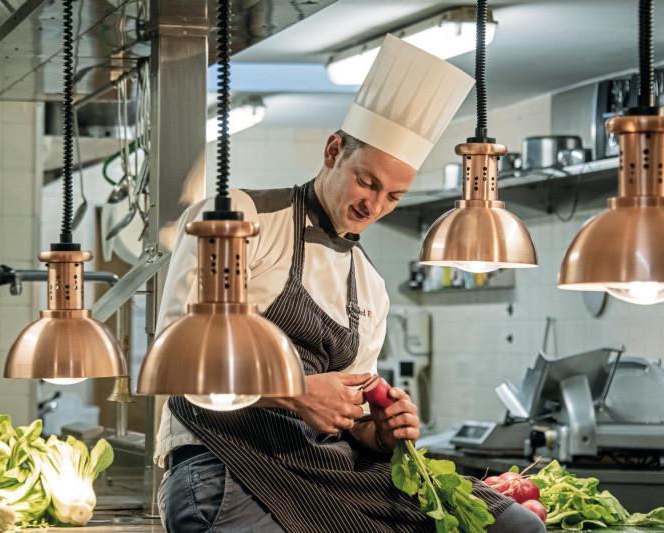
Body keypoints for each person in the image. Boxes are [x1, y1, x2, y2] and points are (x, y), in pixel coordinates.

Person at [154, 35, 546, 533]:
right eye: (367, 181)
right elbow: (175, 363)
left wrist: (379, 431)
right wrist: (293, 392)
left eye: (394, 197)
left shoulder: (372, 286)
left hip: (330, 471)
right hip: (223, 465)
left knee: (515, 526)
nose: (374, 206)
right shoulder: (237, 220)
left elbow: (348, 416)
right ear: (334, 150)